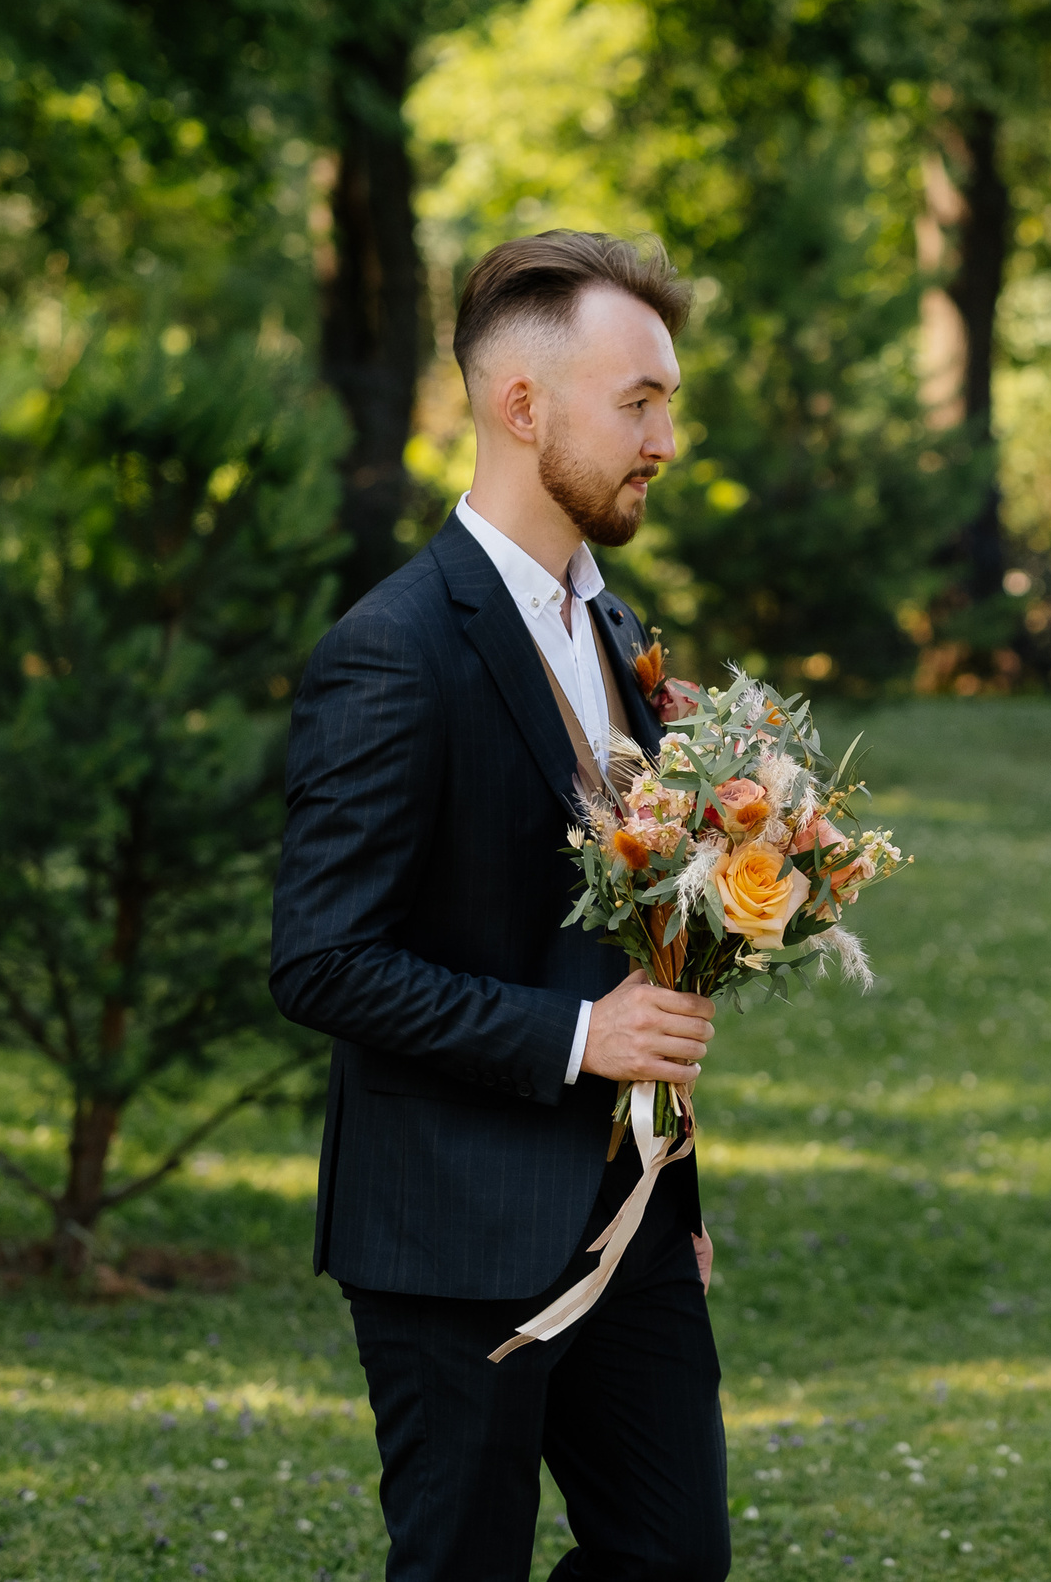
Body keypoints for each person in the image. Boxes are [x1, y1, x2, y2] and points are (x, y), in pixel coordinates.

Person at [271, 231, 730, 1582]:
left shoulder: (617, 628)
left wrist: (675, 1183)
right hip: (449, 1225)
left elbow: (634, 931)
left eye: (669, 403)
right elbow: (324, 958)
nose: (663, 438)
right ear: (521, 407)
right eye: (636, 402)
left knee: (671, 1556)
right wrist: (580, 1038)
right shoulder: (391, 650)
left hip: (630, 1211)